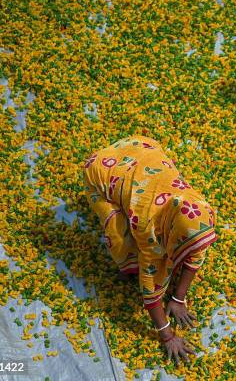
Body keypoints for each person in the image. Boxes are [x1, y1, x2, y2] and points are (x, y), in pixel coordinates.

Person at [82, 135, 218, 364]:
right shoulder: (150, 229)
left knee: (184, 245)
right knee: (120, 235)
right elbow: (149, 284)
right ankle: (126, 266)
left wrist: (178, 298)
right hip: (101, 169)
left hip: (142, 147)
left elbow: (196, 254)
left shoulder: (196, 209)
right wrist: (166, 335)